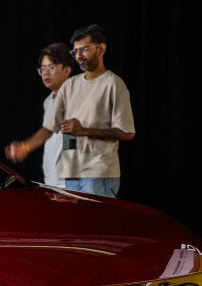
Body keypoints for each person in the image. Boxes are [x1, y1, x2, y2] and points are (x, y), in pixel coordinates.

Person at [42, 24, 135, 197]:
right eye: (75, 51)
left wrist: (84, 131)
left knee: (97, 224)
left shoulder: (113, 84)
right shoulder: (71, 85)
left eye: (84, 49)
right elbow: (68, 131)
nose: (78, 56)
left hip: (98, 175)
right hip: (71, 176)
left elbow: (127, 133)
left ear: (101, 49)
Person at [4, 43, 75, 187]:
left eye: (52, 67)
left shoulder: (74, 98)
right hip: (52, 181)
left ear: (67, 70)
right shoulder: (48, 101)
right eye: (43, 68)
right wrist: (25, 147)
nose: (45, 73)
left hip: (70, 182)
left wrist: (26, 146)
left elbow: (72, 140)